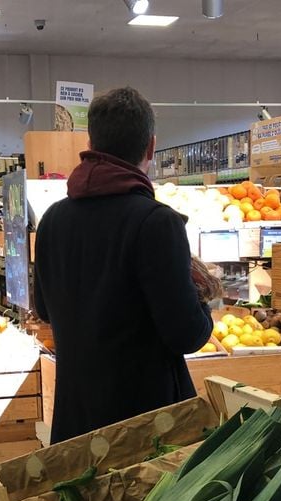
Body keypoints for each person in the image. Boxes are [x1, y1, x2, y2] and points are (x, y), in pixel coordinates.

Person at [34, 86, 214, 443]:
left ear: (92, 142)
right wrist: (205, 301)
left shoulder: (52, 219)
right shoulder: (157, 222)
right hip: (145, 429)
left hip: (77, 422)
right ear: (150, 146)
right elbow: (186, 335)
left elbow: (44, 309)